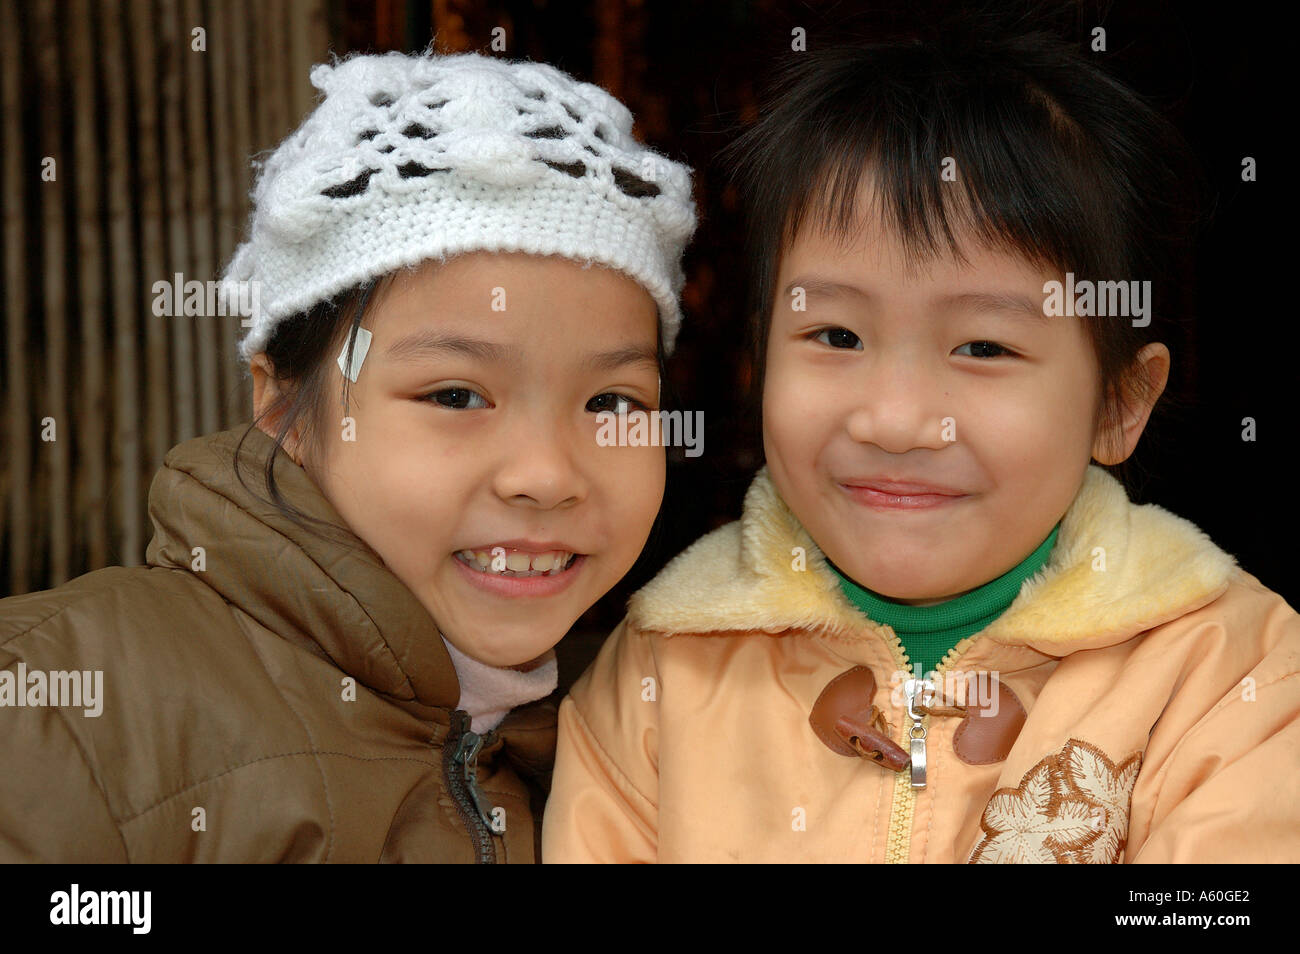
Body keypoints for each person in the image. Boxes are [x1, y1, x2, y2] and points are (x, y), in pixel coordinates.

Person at [542, 26, 1300, 863]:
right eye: (834, 335)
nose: (896, 421)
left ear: (1117, 405)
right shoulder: (662, 673)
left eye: (983, 347)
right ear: (760, 359)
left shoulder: (1232, 673)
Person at [0, 49, 695, 862]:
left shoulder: (631, 744)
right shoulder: (53, 709)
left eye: (611, 402)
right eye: (456, 396)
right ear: (281, 405)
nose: (544, 475)